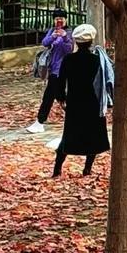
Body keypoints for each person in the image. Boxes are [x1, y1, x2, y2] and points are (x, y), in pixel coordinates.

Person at [53, 23, 114, 178]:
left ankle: (57, 169)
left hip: (74, 103)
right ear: (91, 41)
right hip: (93, 103)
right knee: (93, 137)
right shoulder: (96, 60)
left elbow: (60, 81)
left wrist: (61, 98)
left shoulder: (68, 60)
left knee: (68, 137)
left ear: (76, 42)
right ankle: (87, 169)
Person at [28, 10, 74, 134]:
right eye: (56, 18)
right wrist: (53, 36)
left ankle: (40, 121)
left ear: (66, 19)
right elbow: (44, 43)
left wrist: (64, 37)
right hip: (52, 68)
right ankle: (76, 117)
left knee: (48, 95)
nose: (59, 20)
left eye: (61, 18)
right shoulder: (52, 31)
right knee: (60, 95)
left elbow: (69, 50)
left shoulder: (69, 33)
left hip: (62, 69)